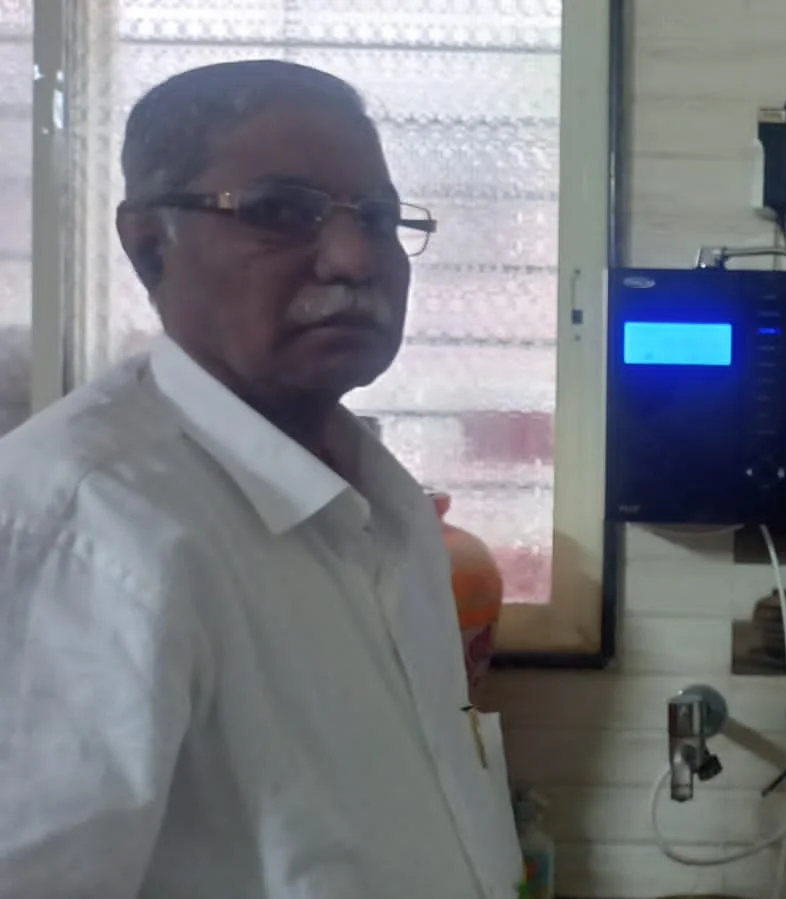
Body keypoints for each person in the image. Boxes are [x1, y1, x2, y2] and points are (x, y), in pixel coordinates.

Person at [0, 61, 522, 898]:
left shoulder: (384, 512)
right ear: (147, 244)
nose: (354, 257)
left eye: (380, 217)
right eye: (281, 213)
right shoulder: (80, 528)